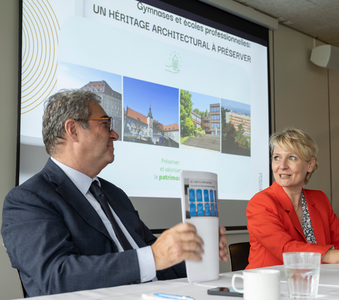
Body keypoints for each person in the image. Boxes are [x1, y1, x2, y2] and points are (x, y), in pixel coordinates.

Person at [1, 89, 228, 297]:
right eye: (106, 124)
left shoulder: (114, 194)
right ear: (73, 130)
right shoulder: (28, 200)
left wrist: (194, 253)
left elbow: (155, 258)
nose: (115, 135)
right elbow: (55, 278)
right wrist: (154, 256)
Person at [246, 128, 339, 269]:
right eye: (277, 158)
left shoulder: (319, 199)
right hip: (269, 286)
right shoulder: (261, 203)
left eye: (292, 158)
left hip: (315, 282)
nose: (282, 166)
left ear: (310, 165)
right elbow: (287, 249)